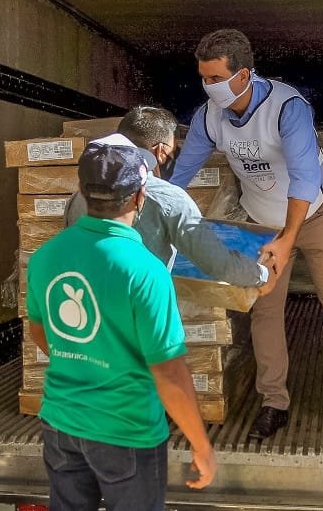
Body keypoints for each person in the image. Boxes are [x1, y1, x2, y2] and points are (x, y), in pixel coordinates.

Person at [171, 29, 323, 439]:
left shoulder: (287, 107)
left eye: (215, 79)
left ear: (243, 75)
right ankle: (273, 402)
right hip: (262, 220)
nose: (207, 88)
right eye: (203, 78)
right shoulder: (208, 117)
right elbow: (182, 174)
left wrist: (288, 238)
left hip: (315, 214)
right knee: (264, 309)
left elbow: (302, 179)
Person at [28, 133, 217, 510]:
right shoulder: (145, 270)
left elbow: (40, 330)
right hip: (126, 431)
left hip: (61, 425)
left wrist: (84, 355)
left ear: (82, 191)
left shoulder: (46, 256)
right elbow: (169, 373)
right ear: (139, 198)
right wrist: (201, 445)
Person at [65, 106, 273, 291]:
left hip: (85, 308)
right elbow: (217, 263)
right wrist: (261, 274)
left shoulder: (77, 197)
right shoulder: (168, 199)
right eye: (170, 153)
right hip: (139, 309)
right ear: (159, 151)